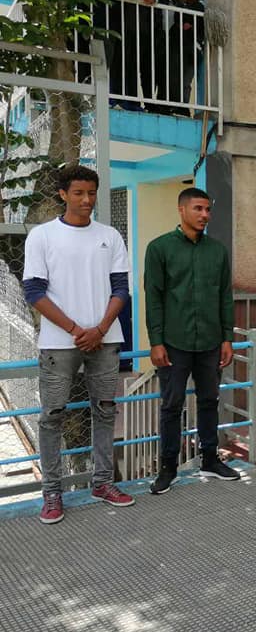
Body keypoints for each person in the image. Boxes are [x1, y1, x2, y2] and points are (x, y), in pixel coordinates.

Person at [22, 165, 134, 524]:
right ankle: (52, 493)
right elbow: (33, 291)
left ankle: (103, 483)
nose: (87, 200)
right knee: (52, 416)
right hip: (59, 343)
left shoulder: (110, 236)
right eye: (78, 193)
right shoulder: (42, 236)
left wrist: (99, 329)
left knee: (105, 411)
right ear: (62, 194)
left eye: (91, 193)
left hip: (106, 339)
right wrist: (75, 329)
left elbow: (122, 289)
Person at [144, 188, 240, 494]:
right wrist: (156, 341)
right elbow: (153, 298)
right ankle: (168, 469)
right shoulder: (159, 249)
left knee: (210, 401)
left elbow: (225, 297)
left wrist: (227, 338)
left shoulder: (217, 251)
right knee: (171, 405)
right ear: (181, 210)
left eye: (208, 209)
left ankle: (210, 460)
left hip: (211, 341)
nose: (205, 215)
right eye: (198, 208)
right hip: (174, 342)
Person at [112, 0, 157, 108]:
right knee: (119, 63)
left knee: (133, 65)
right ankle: (117, 97)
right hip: (122, 27)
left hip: (138, 30)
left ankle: (131, 100)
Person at [167, 0, 205, 114]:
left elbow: (194, 25)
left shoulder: (199, 7)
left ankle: (182, 106)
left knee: (185, 79)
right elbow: (179, 20)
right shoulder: (184, 6)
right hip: (181, 48)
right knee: (177, 78)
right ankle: (177, 105)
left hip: (191, 49)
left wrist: (190, 26)